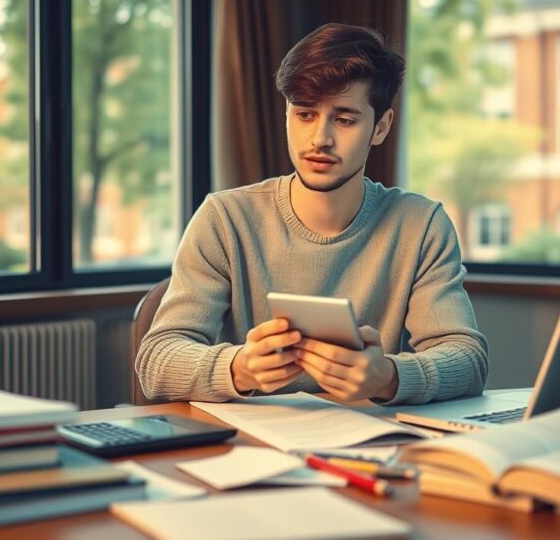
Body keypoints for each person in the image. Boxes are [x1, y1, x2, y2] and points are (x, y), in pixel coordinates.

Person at [136, 23, 488, 404]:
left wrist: (388, 376)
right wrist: (239, 367)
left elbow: (468, 359)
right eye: (304, 115)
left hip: (368, 446)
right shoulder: (224, 218)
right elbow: (156, 361)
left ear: (380, 127)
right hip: (247, 450)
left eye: (345, 119)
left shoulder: (421, 226)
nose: (320, 138)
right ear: (287, 116)